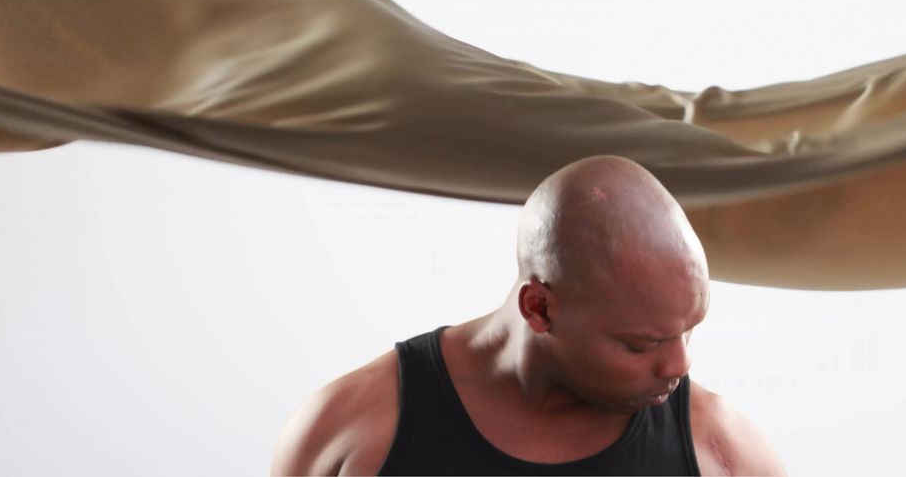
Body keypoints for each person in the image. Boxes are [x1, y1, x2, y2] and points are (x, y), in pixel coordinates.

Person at [271, 155, 787, 475]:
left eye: (689, 331)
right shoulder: (354, 430)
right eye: (640, 344)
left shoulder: (722, 451)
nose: (678, 366)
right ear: (539, 309)